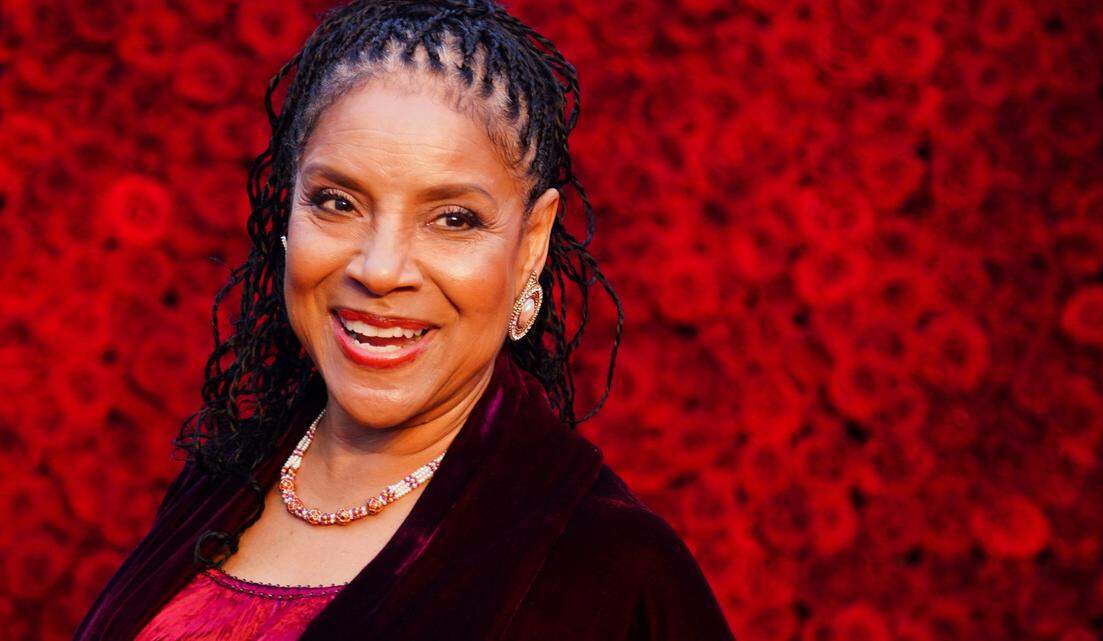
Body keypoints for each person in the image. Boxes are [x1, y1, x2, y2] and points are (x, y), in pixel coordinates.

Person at [73, 1, 735, 639]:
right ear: (288, 212)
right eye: (337, 202)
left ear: (531, 245)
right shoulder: (220, 483)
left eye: (453, 218)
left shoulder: (610, 573)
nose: (381, 268)